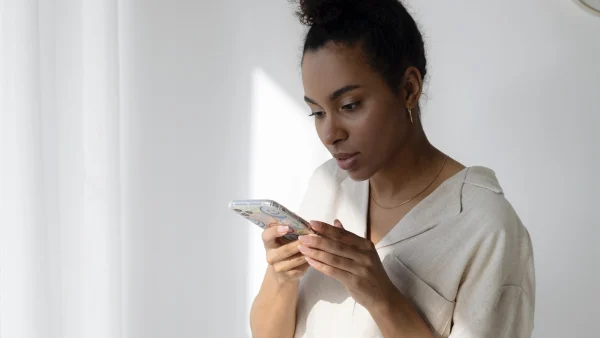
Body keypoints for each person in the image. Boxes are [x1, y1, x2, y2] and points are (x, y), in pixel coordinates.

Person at [249, 0, 535, 337]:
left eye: (349, 105)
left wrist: (381, 296)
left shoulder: (487, 228)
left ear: (408, 89)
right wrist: (281, 276)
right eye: (318, 113)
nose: (330, 134)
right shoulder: (327, 184)